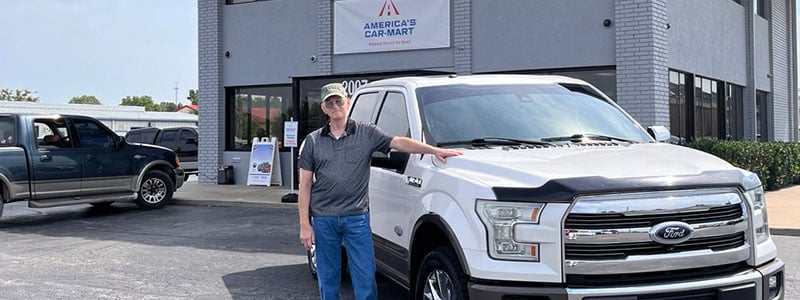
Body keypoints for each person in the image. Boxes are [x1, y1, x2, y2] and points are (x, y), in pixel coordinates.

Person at [298, 83, 462, 300]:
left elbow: (398, 142)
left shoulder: (366, 133)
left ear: (348, 103)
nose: (335, 106)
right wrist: (305, 225)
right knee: (328, 279)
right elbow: (305, 185)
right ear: (323, 108)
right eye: (330, 103)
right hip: (324, 219)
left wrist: (433, 150)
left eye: (339, 101)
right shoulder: (313, 141)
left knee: (365, 278)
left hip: (356, 218)